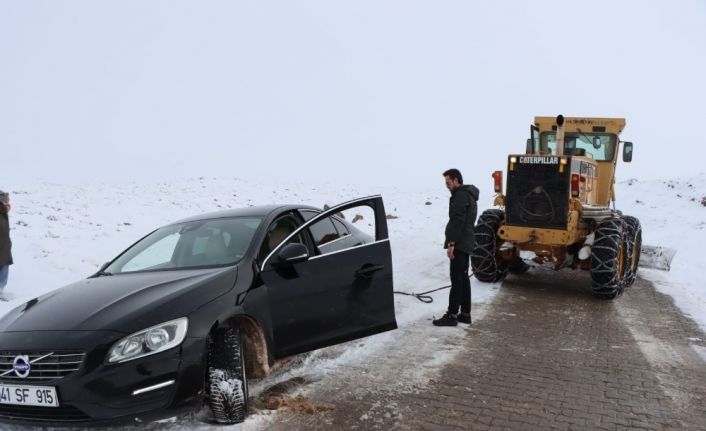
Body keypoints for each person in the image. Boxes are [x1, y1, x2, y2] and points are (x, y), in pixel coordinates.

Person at [433, 169, 479, 327]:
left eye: (448, 182)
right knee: (463, 278)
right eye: (445, 183)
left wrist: (451, 243)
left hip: (460, 242)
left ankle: (452, 315)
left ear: (456, 180)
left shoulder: (460, 195)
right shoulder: (469, 195)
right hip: (466, 241)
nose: (446, 185)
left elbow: (457, 220)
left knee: (457, 279)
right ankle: (465, 314)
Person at [0, 191, 12, 300]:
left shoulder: (3, 212)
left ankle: (1, 290)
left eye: (7, 199)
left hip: (4, 245)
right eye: (4, 199)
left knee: (4, 266)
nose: (7, 202)